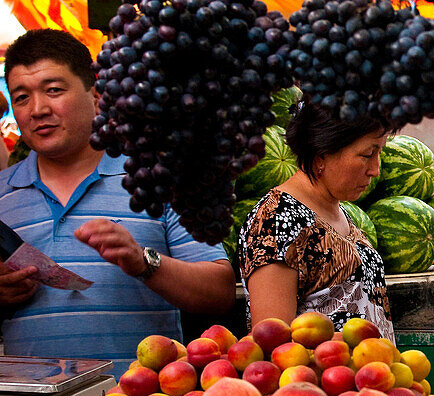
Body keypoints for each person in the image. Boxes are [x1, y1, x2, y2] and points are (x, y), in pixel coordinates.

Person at [0, 29, 235, 376]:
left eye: (54, 90)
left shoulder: (158, 178)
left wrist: (144, 263)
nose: (38, 109)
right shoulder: (1, 196)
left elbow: (220, 291)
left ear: (95, 95)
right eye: (21, 98)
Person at [239, 100, 394, 338]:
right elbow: (272, 340)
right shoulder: (275, 220)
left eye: (379, 154)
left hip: (371, 372)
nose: (375, 169)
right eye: (367, 154)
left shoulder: (340, 210)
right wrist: (350, 343)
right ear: (321, 154)